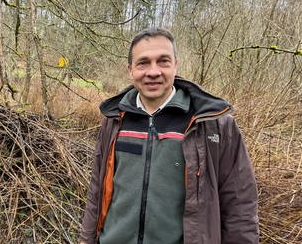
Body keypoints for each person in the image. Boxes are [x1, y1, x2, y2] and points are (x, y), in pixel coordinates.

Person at [79, 27, 259, 244]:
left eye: (163, 61)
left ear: (176, 65)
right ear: (130, 70)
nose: (153, 72)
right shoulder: (114, 119)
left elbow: (240, 205)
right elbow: (97, 191)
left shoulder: (213, 125)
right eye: (143, 63)